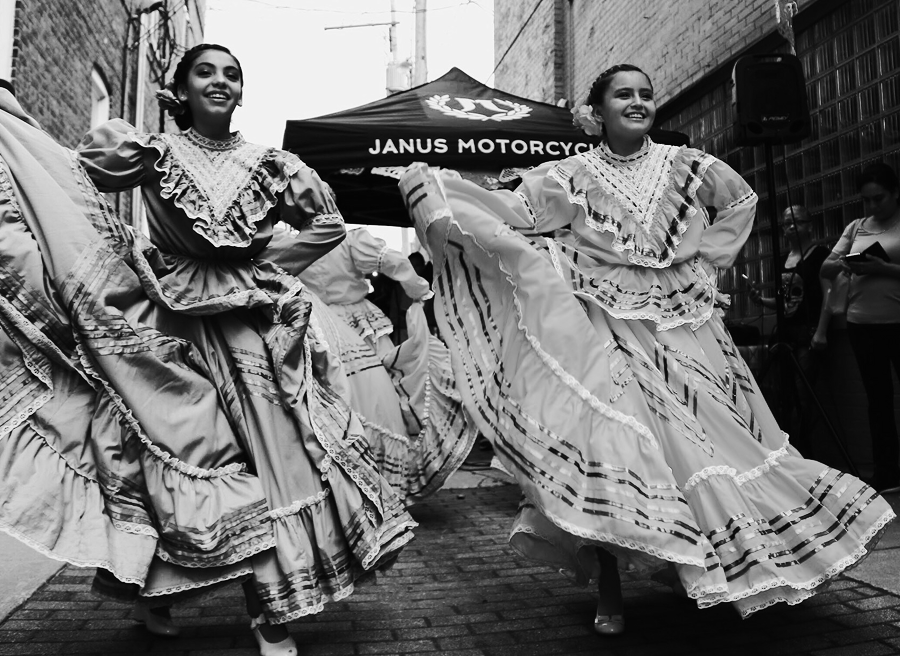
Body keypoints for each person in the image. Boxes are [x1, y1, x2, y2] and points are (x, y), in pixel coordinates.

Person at [399, 64, 894, 636]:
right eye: (623, 95)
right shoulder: (567, 176)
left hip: (688, 330)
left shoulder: (689, 166)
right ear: (597, 111)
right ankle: (611, 590)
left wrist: (704, 260)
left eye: (645, 94)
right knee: (618, 447)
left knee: (713, 444)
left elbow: (740, 202)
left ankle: (712, 563)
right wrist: (442, 190)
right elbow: (516, 216)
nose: (638, 102)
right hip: (607, 330)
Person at [0, 44, 415, 656]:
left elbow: (326, 226)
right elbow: (64, 177)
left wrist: (262, 269)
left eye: (232, 74)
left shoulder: (273, 164)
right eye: (205, 72)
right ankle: (157, 593)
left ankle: (272, 614)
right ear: (183, 91)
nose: (220, 82)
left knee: (275, 459)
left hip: (249, 328)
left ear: (240, 93)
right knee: (178, 450)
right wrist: (11, 128)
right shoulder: (152, 153)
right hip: (166, 325)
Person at [265, 226, 478, 502]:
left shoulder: (291, 245)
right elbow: (394, 262)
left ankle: (345, 483)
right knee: (381, 393)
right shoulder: (347, 240)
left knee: (332, 398)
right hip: (356, 324)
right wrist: (417, 288)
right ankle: (381, 480)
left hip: (317, 324)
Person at [820, 162, 900, 494]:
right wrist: (848, 262)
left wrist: (884, 268)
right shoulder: (857, 227)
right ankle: (887, 475)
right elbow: (826, 267)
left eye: (878, 199)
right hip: (861, 323)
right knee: (877, 400)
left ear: (895, 194)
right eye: (866, 200)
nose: (872, 206)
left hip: (897, 321)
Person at [747, 205, 831, 456]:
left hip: (808, 331)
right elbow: (785, 302)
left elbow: (828, 293)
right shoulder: (783, 259)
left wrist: (822, 331)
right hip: (785, 333)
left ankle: (805, 450)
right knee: (782, 393)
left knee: (804, 394)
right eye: (786, 224)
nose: (791, 227)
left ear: (809, 225)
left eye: (797, 221)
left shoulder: (820, 255)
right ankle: (786, 449)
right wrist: (762, 301)